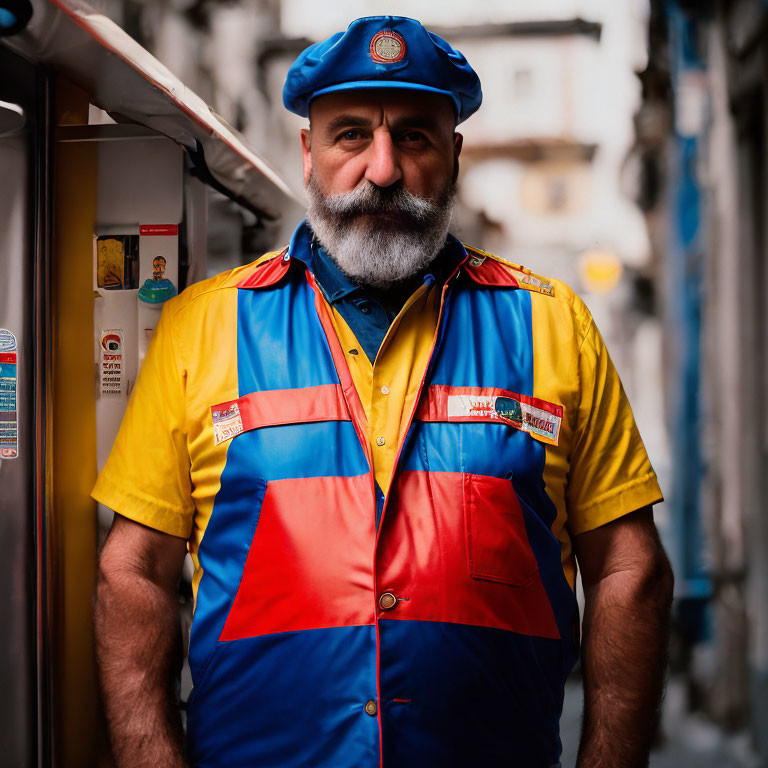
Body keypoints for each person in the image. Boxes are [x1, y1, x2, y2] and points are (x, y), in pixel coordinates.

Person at [93, 15, 673, 768]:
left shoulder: (554, 327)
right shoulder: (201, 329)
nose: (383, 168)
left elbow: (632, 571)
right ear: (307, 153)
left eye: (415, 137)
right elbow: (131, 571)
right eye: (350, 135)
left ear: (454, 156)